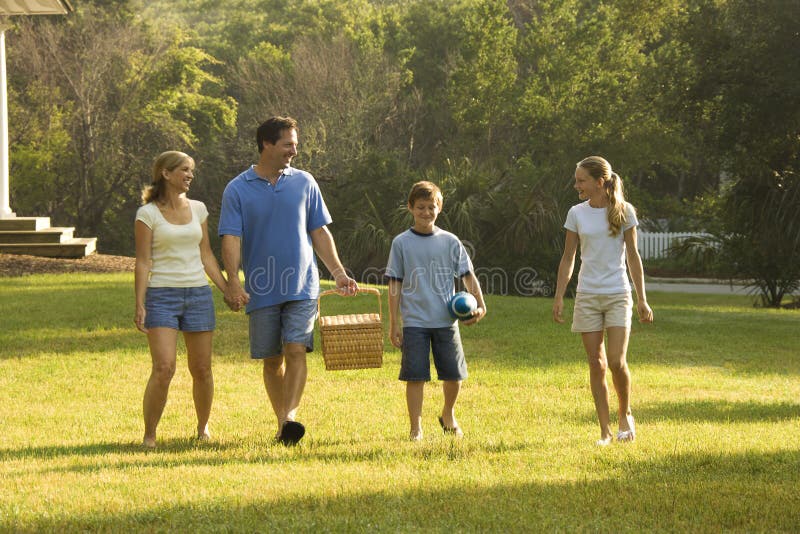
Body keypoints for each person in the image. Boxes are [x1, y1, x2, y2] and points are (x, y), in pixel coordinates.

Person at [219, 116, 358, 446]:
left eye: (295, 144)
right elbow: (230, 238)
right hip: (261, 288)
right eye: (288, 144)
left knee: (296, 348)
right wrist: (233, 282)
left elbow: (319, 231)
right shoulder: (237, 189)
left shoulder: (305, 182)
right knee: (272, 359)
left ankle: (290, 417)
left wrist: (337, 272)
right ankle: (283, 423)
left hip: (303, 285)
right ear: (267, 144)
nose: (294, 151)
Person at [552, 156, 654, 446]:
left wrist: (642, 299)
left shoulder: (624, 212)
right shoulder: (576, 213)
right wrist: (559, 295)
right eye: (576, 180)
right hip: (587, 295)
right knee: (596, 364)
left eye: (581, 180)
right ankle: (605, 431)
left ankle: (625, 415)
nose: (576, 185)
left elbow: (633, 257)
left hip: (618, 294)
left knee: (616, 361)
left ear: (599, 182)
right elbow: (568, 256)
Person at [134, 151, 229, 449]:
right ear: (165, 173)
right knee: (164, 368)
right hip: (162, 296)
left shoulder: (199, 209)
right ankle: (150, 434)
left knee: (202, 369)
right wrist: (140, 303)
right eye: (184, 170)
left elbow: (207, 255)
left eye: (192, 171)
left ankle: (202, 429)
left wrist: (227, 289)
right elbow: (143, 262)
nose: (190, 175)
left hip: (199, 294)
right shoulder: (147, 214)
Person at [386, 181, 487, 441]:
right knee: (415, 376)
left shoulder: (450, 241)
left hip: (446, 320)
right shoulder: (401, 243)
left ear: (439, 208)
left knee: (454, 375)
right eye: (420, 207)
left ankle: (448, 414)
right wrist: (394, 322)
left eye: (431, 207)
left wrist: (480, 303)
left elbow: (468, 275)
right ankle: (415, 428)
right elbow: (394, 283)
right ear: (410, 208)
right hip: (414, 322)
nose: (426, 212)